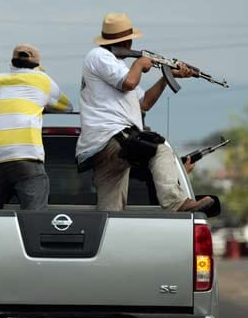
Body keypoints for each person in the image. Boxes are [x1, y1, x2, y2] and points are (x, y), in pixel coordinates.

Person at [76, 13, 212, 212]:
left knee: (111, 211)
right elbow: (129, 83)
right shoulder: (99, 56)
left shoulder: (115, 65)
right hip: (113, 137)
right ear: (127, 40)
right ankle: (175, 202)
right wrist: (140, 63)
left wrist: (167, 77)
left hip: (103, 146)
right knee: (161, 149)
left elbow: (145, 102)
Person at [0, 44, 73, 210]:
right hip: (25, 155)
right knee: (34, 217)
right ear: (37, 66)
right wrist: (41, 106)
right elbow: (67, 107)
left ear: (12, 63)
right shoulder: (43, 80)